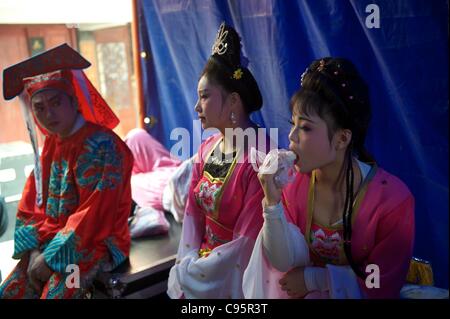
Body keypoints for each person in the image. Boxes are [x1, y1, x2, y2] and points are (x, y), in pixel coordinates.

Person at [243, 57, 415, 299]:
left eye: (305, 128)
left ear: (342, 139)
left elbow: (380, 283)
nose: (291, 136)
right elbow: (282, 262)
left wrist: (315, 279)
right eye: (293, 124)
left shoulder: (392, 201)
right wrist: (272, 204)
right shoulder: (294, 186)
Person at [0, 44, 133, 299]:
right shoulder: (52, 144)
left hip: (96, 243)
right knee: (9, 293)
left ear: (73, 100)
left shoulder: (102, 145)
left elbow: (95, 215)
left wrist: (51, 259)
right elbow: (32, 204)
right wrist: (34, 252)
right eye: (39, 107)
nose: (48, 114)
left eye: (55, 102)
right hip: (49, 242)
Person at [167, 22, 272, 298]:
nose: (196, 107)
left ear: (234, 102)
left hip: (234, 278)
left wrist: (197, 272)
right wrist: (188, 263)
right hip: (199, 268)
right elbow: (192, 214)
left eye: (204, 97)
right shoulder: (206, 149)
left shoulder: (260, 161)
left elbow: (246, 243)